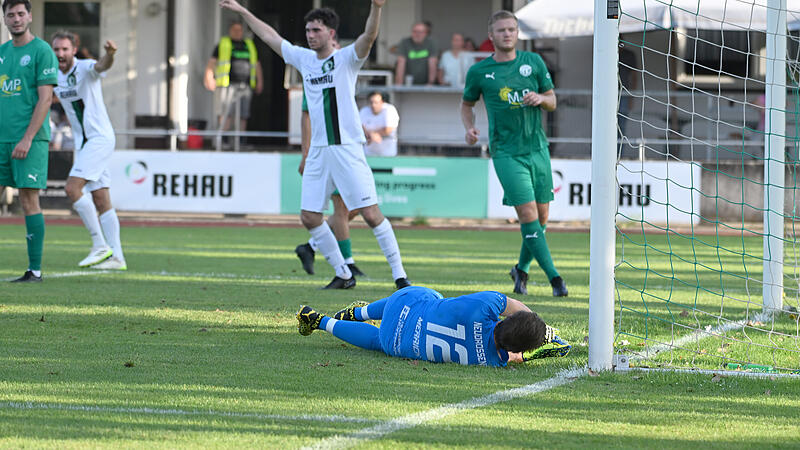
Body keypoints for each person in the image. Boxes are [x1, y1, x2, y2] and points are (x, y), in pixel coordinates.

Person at [221, 0, 411, 289]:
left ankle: (400, 277)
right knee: (310, 217)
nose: (310, 35)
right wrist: (244, 11)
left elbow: (369, 36)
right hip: (319, 152)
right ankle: (343, 274)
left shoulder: (346, 59)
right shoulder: (304, 59)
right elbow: (270, 36)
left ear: (331, 34)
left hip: (346, 147)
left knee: (371, 214)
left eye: (316, 30)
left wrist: (377, 7)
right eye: (308, 30)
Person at [461, 10, 567, 298]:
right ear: (491, 35)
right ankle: (556, 279)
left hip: (537, 149)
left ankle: (521, 269)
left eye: (511, 29)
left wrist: (540, 98)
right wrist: (470, 128)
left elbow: (552, 101)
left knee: (541, 218)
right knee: (527, 213)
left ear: (517, 33)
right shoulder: (479, 72)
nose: (507, 34)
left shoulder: (533, 62)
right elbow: (466, 105)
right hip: (506, 152)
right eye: (501, 30)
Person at [296, 286, 558, 367]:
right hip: (395, 343)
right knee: (378, 341)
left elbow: (512, 304)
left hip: (402, 306)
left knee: (430, 297)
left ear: (507, 320)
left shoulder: (486, 306)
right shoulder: (492, 362)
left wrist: (541, 325)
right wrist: (538, 344)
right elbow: (516, 357)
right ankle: (321, 321)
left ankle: (358, 312)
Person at [52, 31, 127, 270]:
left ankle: (99, 245)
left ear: (74, 50)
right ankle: (117, 258)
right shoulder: (54, 75)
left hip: (99, 139)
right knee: (101, 199)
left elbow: (102, 65)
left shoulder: (84, 68)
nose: (61, 54)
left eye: (65, 49)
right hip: (83, 144)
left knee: (72, 188)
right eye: (56, 49)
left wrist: (110, 54)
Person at [0, 0, 58, 283]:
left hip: (30, 140)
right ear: (4, 19)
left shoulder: (42, 51)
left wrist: (27, 138)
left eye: (21, 13)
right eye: (10, 14)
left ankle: (34, 270)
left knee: (28, 199)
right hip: (2, 138)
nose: (16, 19)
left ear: (30, 16)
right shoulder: (2, 53)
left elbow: (45, 99)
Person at [204, 21, 264, 141]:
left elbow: (257, 64)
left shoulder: (249, 45)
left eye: (239, 30)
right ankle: (223, 140)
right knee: (225, 113)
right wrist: (209, 78)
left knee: (243, 114)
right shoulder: (223, 44)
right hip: (227, 84)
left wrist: (260, 81)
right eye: (234, 30)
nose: (237, 32)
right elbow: (212, 62)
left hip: (245, 85)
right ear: (230, 31)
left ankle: (240, 141)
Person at [359, 91, 399, 156]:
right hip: (368, 153)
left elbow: (388, 129)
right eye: (371, 102)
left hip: (388, 153)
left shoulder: (390, 109)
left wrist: (373, 134)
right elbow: (359, 127)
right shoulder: (364, 111)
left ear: (382, 102)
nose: (373, 105)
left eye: (376, 102)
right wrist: (370, 135)